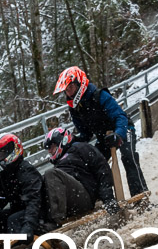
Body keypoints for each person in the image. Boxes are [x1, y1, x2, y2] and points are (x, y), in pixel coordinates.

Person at [53, 66, 150, 197]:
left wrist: (118, 134)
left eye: (70, 88)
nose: (68, 93)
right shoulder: (75, 108)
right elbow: (86, 134)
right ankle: (106, 199)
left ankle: (141, 196)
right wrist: (72, 141)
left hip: (123, 128)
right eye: (66, 90)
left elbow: (120, 116)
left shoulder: (100, 95)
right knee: (94, 164)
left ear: (79, 83)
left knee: (128, 157)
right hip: (104, 138)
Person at [41, 127, 120, 225]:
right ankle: (41, 223)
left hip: (84, 197)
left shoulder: (81, 148)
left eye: (51, 146)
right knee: (41, 180)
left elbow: (102, 170)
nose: (49, 151)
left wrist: (108, 199)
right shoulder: (58, 163)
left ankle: (54, 221)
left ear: (62, 141)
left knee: (50, 174)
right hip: (69, 202)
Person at [0, 132, 43, 241]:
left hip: (38, 212)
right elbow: (1, 199)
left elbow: (34, 201)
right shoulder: (5, 173)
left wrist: (28, 226)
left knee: (13, 220)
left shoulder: (26, 171)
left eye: (0, 154)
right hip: (21, 210)